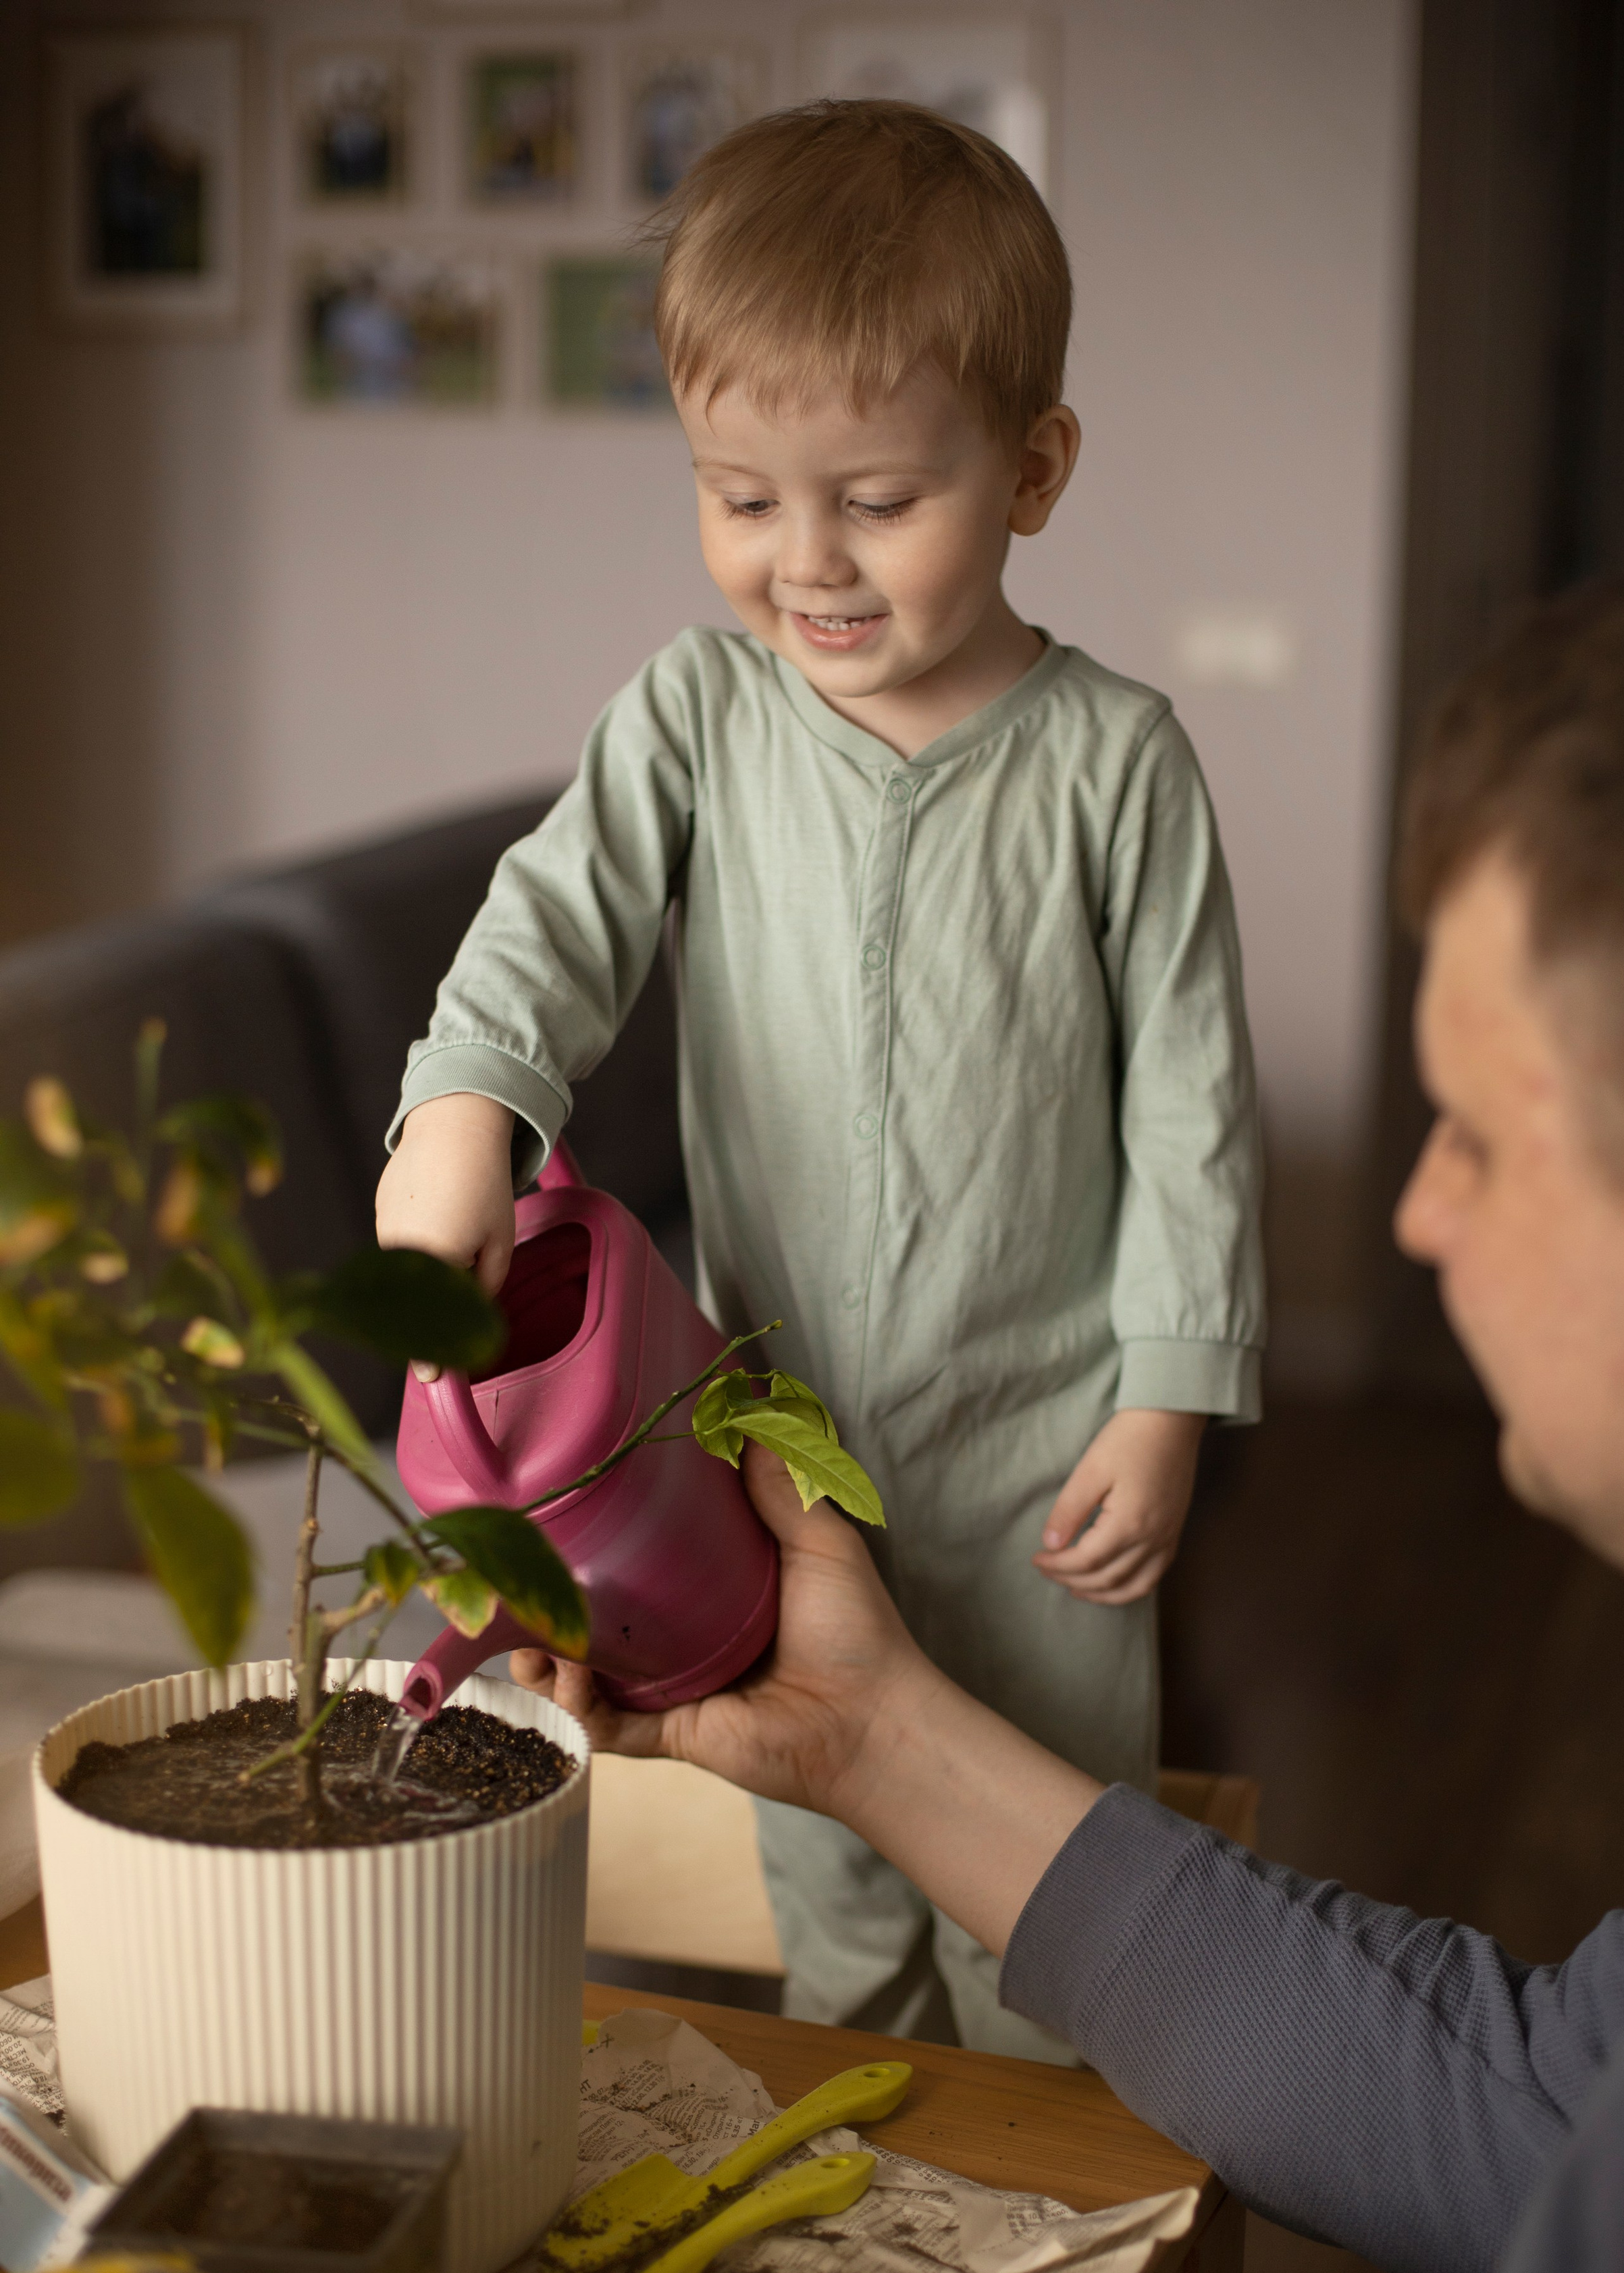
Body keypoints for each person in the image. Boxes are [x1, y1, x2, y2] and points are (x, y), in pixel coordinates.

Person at [500, 552, 1624, 2273]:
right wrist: (877, 1738)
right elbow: (1525, 2112)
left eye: (1478, 1140)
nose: (1413, 1217)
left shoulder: (1108, 761)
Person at [376, 99, 1265, 2062]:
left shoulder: (1119, 763)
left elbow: (1194, 1099)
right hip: (763, 1451)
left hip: (1045, 1464)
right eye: (743, 498)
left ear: (1032, 471)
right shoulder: (696, 716)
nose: (809, 565)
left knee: (1047, 1918)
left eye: (878, 499)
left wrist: (1175, 1391)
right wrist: (468, 1104)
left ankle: (1046, 2220)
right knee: (838, 1907)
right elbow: (555, 923)